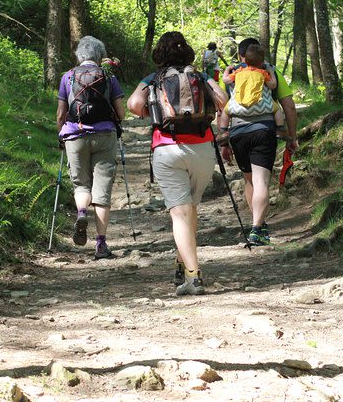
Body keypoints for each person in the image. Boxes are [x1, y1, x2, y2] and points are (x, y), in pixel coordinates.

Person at [127, 31, 227, 296]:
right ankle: (182, 264)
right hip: (203, 148)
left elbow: (133, 104)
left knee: (180, 213)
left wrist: (151, 109)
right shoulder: (200, 75)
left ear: (160, 54)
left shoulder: (154, 78)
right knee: (191, 208)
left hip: (168, 148)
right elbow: (223, 100)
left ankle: (193, 277)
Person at [218, 37, 298, 246]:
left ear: (241, 56)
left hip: (237, 132)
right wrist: (292, 135)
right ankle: (257, 228)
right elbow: (288, 106)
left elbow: (223, 109)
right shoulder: (269, 71)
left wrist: (224, 141)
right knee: (262, 181)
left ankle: (258, 223)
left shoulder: (234, 74)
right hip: (264, 130)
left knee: (249, 180)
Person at [56, 36, 125, 259]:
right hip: (104, 135)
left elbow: (60, 113)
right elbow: (121, 113)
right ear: (100, 56)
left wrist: (61, 134)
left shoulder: (67, 77)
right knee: (102, 190)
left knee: (81, 184)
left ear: (79, 55)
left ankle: (82, 212)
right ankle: (101, 244)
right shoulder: (108, 76)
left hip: (75, 136)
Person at [217, 43, 277, 135]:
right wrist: (271, 72)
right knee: (277, 109)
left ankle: (223, 131)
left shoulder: (238, 71)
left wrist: (227, 70)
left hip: (239, 108)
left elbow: (226, 80)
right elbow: (272, 85)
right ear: (262, 62)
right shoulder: (263, 73)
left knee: (226, 111)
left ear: (245, 60)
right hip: (261, 107)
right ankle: (281, 129)